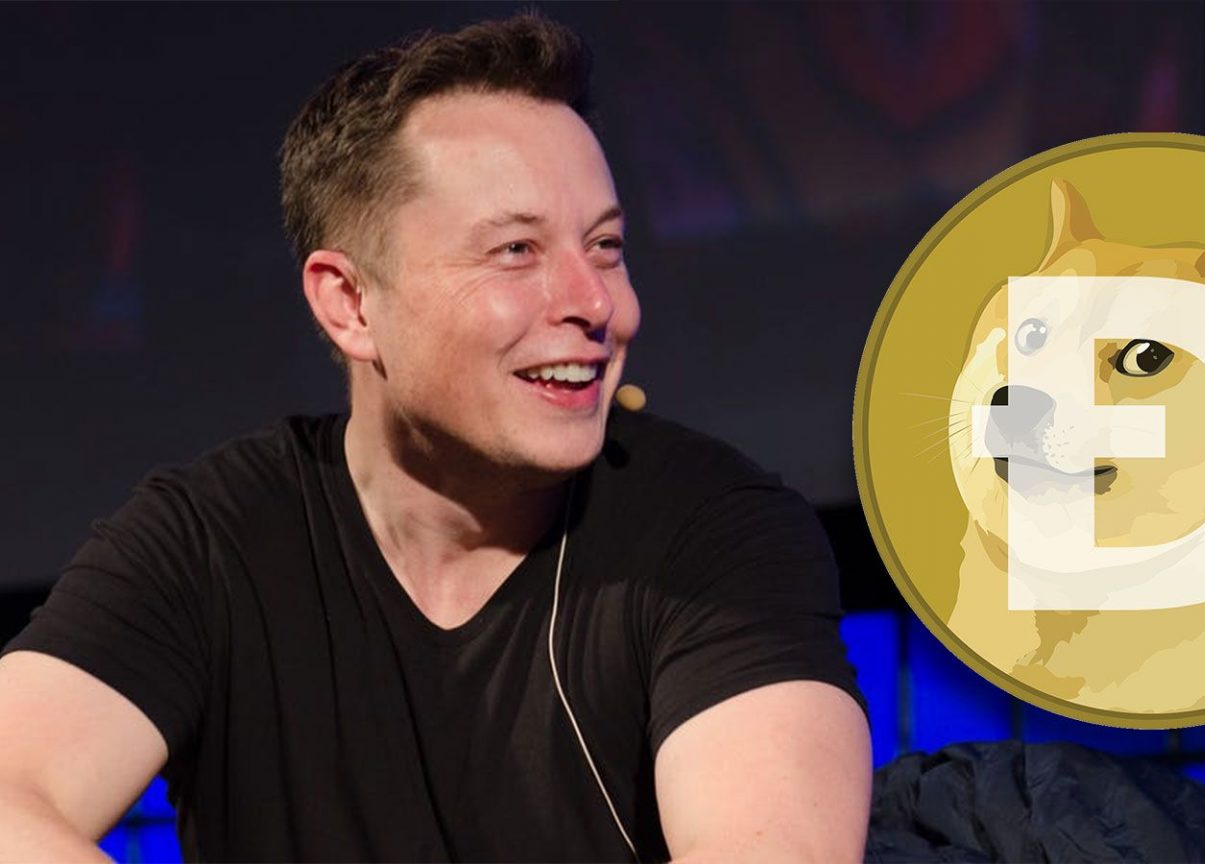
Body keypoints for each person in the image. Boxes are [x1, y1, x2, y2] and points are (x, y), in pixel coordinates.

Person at [0, 15, 871, 863]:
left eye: (605, 246)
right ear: (349, 303)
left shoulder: (719, 532)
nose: (599, 303)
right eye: (516, 250)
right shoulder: (209, 541)